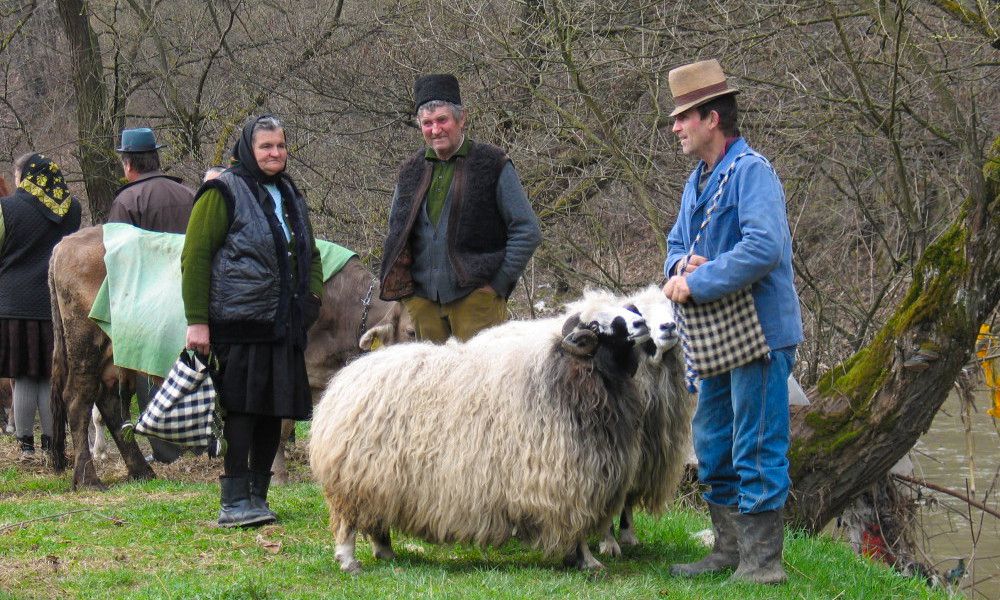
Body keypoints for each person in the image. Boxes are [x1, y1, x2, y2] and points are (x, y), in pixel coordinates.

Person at [661, 59, 802, 584]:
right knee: (713, 440)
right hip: (717, 338)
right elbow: (676, 247)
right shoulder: (696, 182)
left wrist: (700, 279)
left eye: (683, 117)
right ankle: (728, 550)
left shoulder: (752, 173)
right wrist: (680, 266)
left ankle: (763, 565)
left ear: (711, 118)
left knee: (757, 443)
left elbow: (764, 247)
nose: (675, 127)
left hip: (762, 335)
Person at [181, 115, 322, 528]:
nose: (275, 153)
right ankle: (232, 500)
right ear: (249, 149)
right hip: (240, 321)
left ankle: (258, 497)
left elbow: (309, 252)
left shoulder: (290, 191)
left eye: (280, 146)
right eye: (266, 147)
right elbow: (195, 257)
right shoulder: (222, 191)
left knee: (274, 409)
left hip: (283, 323)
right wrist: (197, 321)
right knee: (242, 409)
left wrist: (312, 297)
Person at [379, 74, 541, 343]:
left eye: (442, 120)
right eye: (427, 123)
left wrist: (497, 285)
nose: (435, 130)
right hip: (424, 307)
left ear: (462, 118)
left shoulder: (493, 163)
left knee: (485, 383)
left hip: (477, 303)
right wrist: (410, 298)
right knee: (433, 384)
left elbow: (527, 230)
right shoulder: (410, 171)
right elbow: (396, 233)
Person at [109, 127, 196, 464]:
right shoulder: (189, 194)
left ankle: (165, 448)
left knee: (150, 370)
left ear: (128, 163)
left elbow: (117, 259)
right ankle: (194, 441)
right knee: (189, 366)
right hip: (189, 299)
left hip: (148, 303)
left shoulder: (127, 201)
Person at [0, 154, 81, 457]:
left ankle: (25, 447)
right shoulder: (72, 209)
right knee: (51, 373)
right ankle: (51, 443)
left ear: (25, 176)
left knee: (22, 375)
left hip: (14, 303)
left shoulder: (6, 209)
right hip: (56, 303)